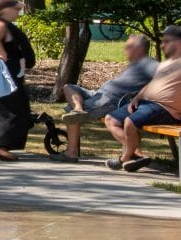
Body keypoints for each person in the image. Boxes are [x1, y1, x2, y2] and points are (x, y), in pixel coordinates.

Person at [104, 24, 181, 172]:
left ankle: (125, 158)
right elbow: (152, 84)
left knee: (130, 122)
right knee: (110, 119)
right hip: (146, 103)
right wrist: (137, 97)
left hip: (165, 108)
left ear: (178, 42)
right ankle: (136, 155)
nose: (162, 45)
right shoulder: (166, 63)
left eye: (166, 41)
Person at [58, 32, 157, 160]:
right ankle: (78, 108)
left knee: (71, 115)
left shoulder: (150, 63)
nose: (125, 50)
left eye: (128, 47)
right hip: (98, 94)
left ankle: (71, 152)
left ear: (139, 49)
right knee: (68, 87)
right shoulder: (136, 64)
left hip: (110, 100)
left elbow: (164, 75)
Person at [0, 0, 35, 162]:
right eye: (16, 10)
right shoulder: (1, 24)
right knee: (12, 110)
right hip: (6, 76)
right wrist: (3, 53)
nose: (18, 12)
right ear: (6, 10)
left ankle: (1, 147)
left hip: (11, 74)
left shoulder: (5, 23)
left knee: (17, 109)